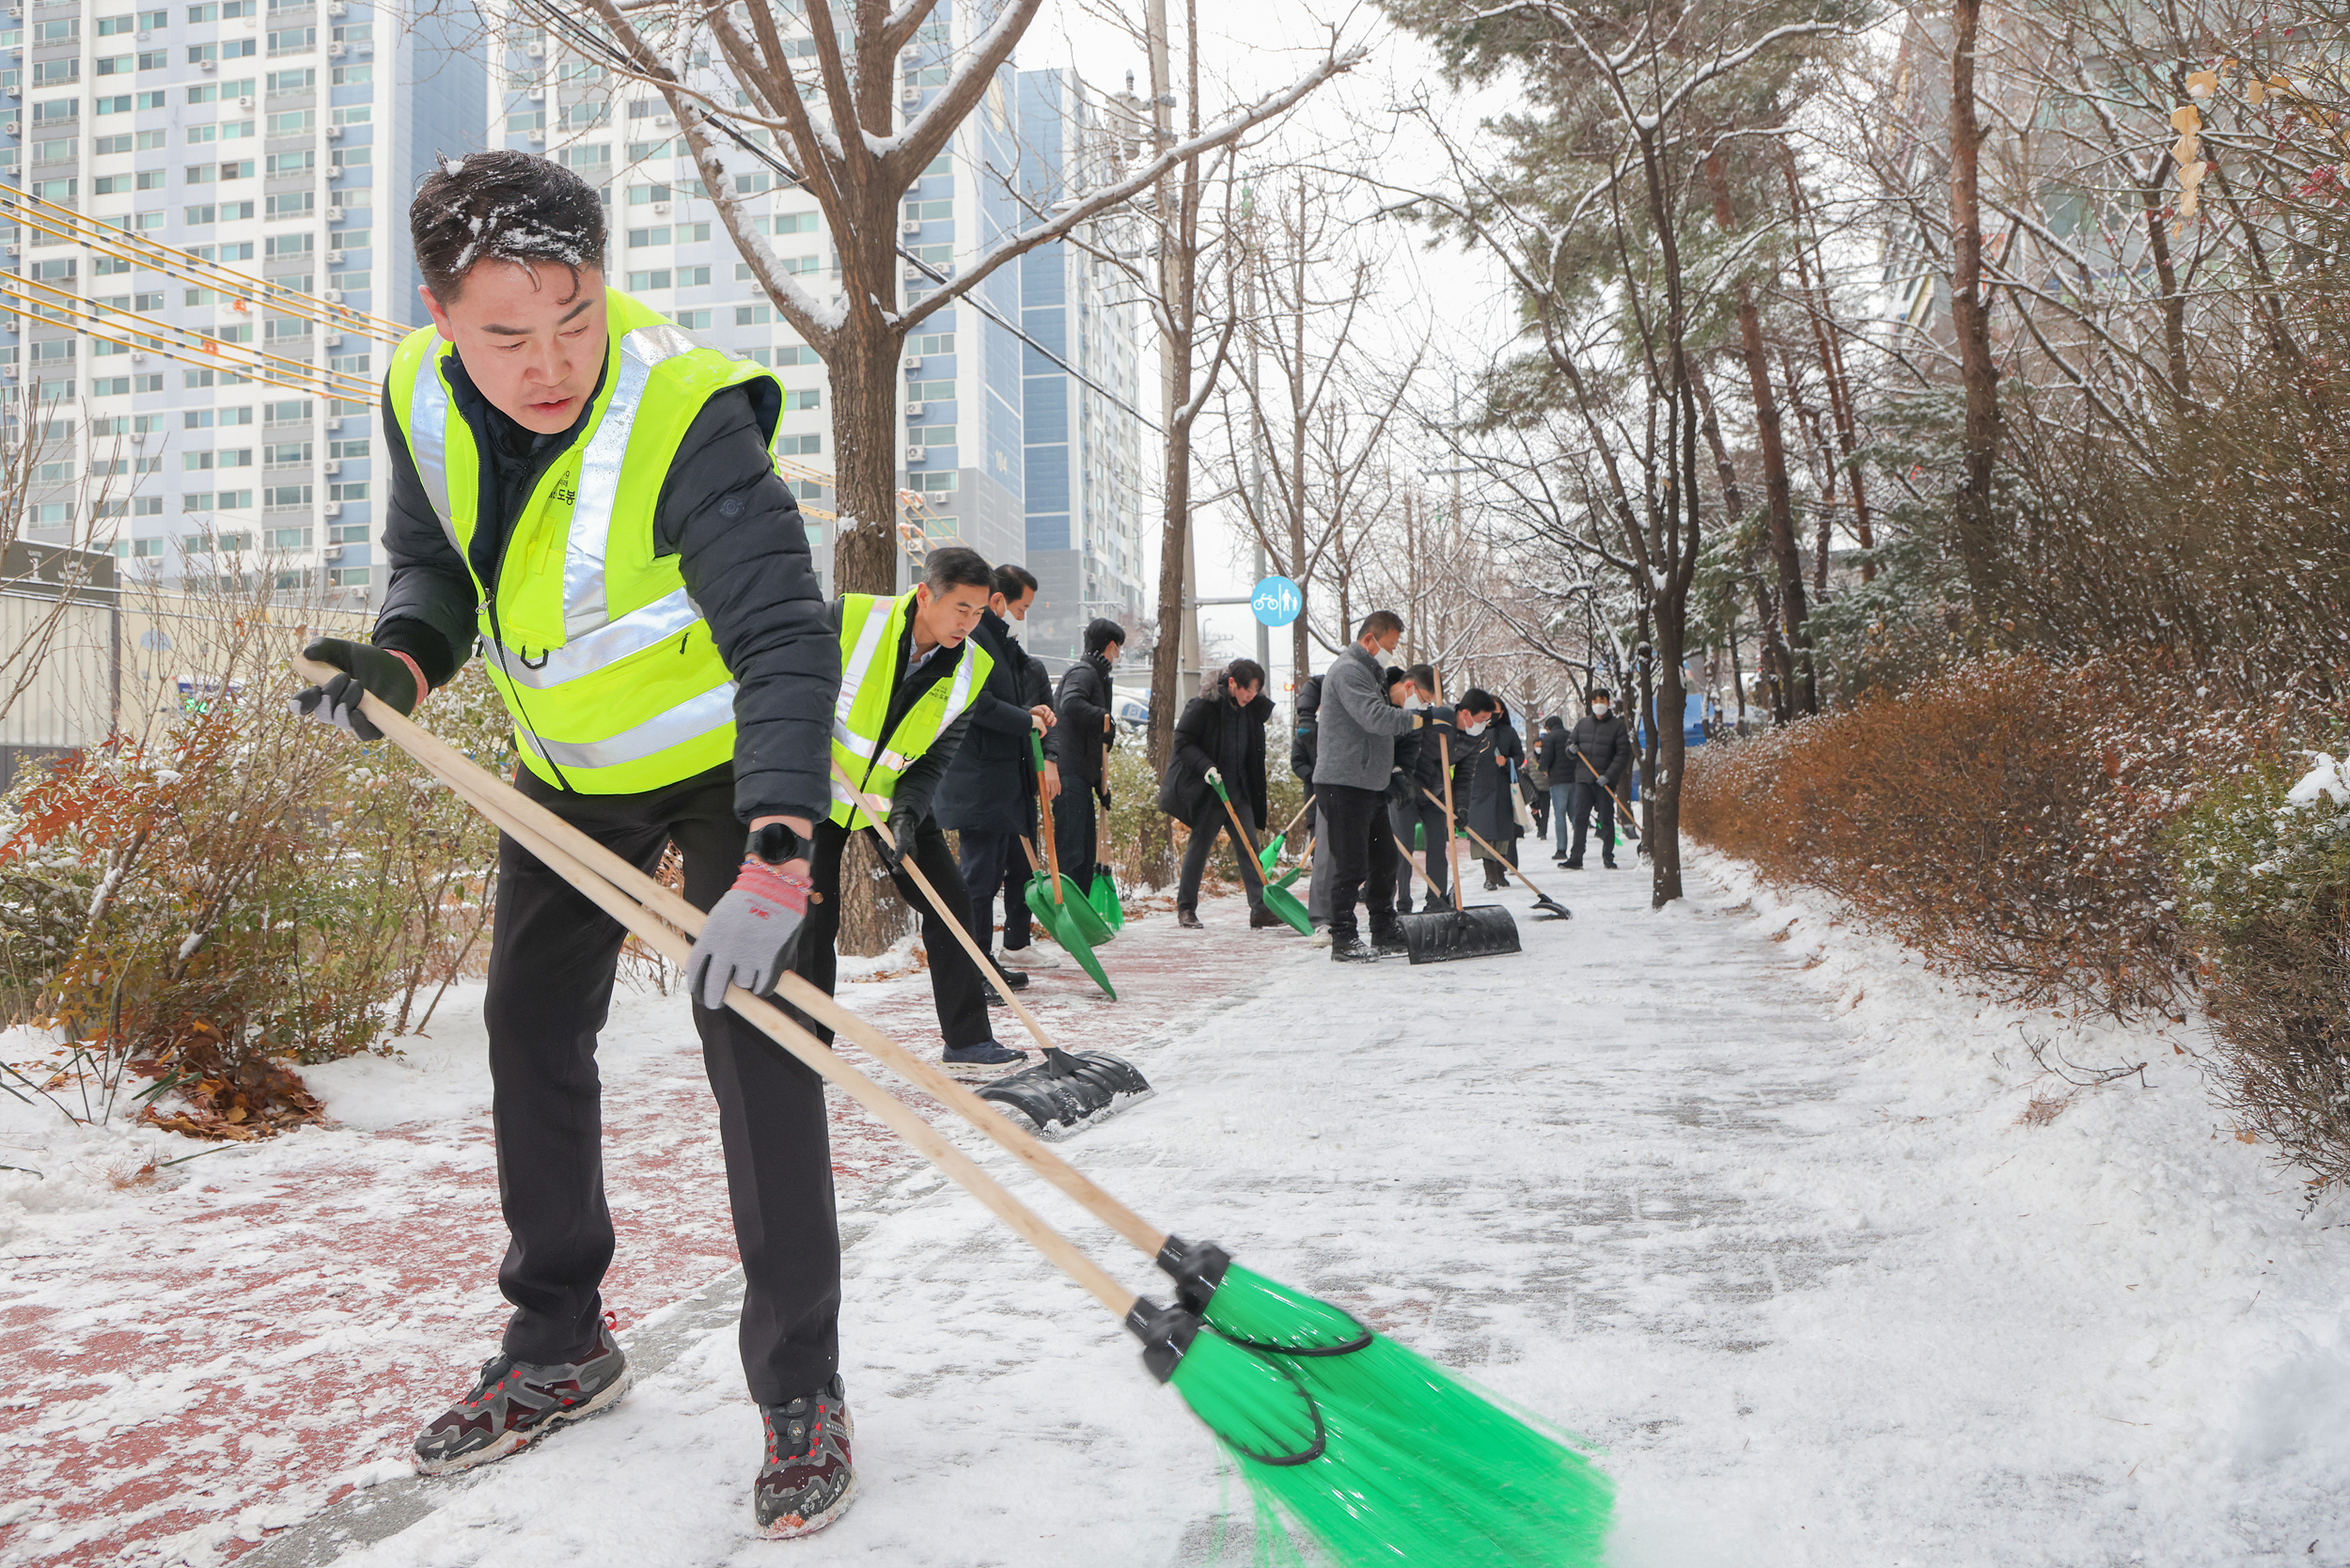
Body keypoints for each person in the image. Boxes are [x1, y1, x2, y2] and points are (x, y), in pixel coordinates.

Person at [291, 152, 850, 1535]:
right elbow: (438, 568)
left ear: (603, 284)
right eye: (505, 334)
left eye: (574, 317)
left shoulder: (685, 411)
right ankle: (558, 1341)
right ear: (438, 312)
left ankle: (801, 1387)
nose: (547, 361)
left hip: (733, 768)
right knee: (530, 1033)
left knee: (764, 1045)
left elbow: (784, 634)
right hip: (569, 771)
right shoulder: (417, 391)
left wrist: (780, 854)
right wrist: (405, 665)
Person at [932, 563, 1058, 983]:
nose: (1022, 616)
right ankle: (975, 969)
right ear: (998, 599)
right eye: (1020, 607)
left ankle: (984, 963)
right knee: (979, 878)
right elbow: (977, 704)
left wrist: (1030, 712)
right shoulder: (975, 637)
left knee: (988, 875)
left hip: (994, 779)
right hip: (978, 778)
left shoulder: (997, 638)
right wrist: (1026, 722)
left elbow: (1002, 697)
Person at [1311, 611, 1439, 962]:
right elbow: (1375, 718)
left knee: (1383, 860)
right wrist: (1421, 720)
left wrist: (1394, 771)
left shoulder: (1372, 672)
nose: (1391, 654)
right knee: (1351, 863)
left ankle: (1383, 928)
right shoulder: (1349, 671)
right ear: (1369, 640)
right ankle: (1343, 936)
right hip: (1343, 783)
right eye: (1389, 645)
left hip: (1368, 783)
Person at [1159, 658, 1277, 928]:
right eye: (1249, 690)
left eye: (1256, 691)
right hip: (1213, 790)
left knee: (1250, 848)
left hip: (1240, 790)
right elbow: (1183, 742)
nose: (1252, 696)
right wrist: (1207, 767)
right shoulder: (1205, 706)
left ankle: (1260, 909)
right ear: (1233, 683)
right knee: (1199, 847)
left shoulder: (1250, 709)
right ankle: (1186, 908)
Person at [1050, 617, 1122, 896]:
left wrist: (1099, 784)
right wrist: (1104, 717)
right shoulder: (1083, 673)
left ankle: (1079, 915)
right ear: (1112, 646)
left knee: (1084, 854)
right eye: (1119, 649)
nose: (1118, 656)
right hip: (1069, 777)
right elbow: (1070, 704)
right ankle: (1067, 912)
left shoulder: (1096, 676)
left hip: (1080, 776)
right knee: (1073, 855)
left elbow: (1089, 741)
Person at [1456, 689, 1523, 890]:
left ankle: (1500, 871)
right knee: (1482, 833)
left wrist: (1508, 761)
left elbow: (1519, 757)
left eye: (1495, 711)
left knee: (1501, 834)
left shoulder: (1508, 733)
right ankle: (1489, 875)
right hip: (1478, 789)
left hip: (1501, 788)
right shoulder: (1473, 731)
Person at [1562, 685, 1633, 870]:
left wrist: (1608, 776)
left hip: (1604, 781)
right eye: (1595, 701)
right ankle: (1576, 857)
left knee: (1606, 818)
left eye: (1602, 701)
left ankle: (1608, 856)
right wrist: (1571, 750)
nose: (1598, 704)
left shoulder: (1617, 726)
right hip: (1584, 779)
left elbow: (1623, 754)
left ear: (1608, 703)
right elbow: (1571, 743)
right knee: (1580, 818)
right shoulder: (1582, 724)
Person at [1537, 713, 1574, 862]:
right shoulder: (1571, 735)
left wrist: (1542, 768)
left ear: (1548, 728)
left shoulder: (1549, 738)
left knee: (1560, 816)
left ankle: (1561, 849)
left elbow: (1546, 759)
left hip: (1558, 781)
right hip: (1574, 780)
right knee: (1574, 814)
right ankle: (1579, 846)